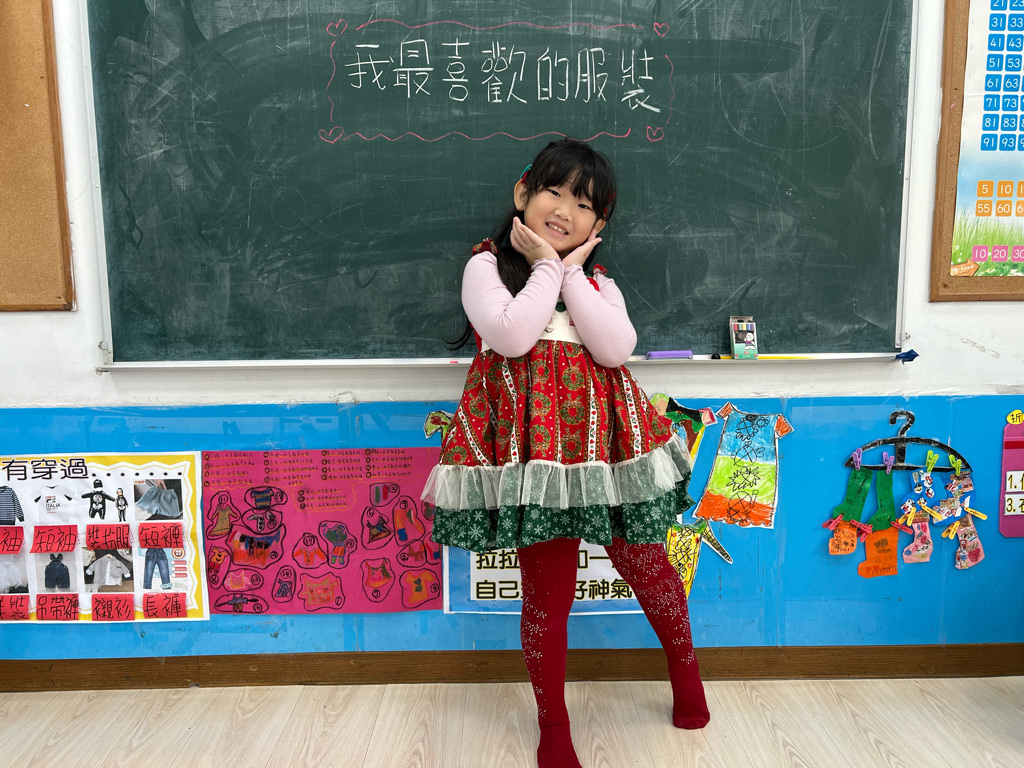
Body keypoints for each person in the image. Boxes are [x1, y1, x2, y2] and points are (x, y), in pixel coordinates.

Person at [421, 139, 709, 768]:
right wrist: (547, 267)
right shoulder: (486, 267)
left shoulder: (599, 282)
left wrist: (572, 272)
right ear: (522, 193)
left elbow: (615, 349)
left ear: (598, 225)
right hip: (535, 462)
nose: (563, 210)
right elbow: (511, 336)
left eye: (583, 205)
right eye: (553, 192)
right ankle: (554, 726)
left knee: (649, 568)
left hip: (609, 455)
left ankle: (687, 676)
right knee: (548, 595)